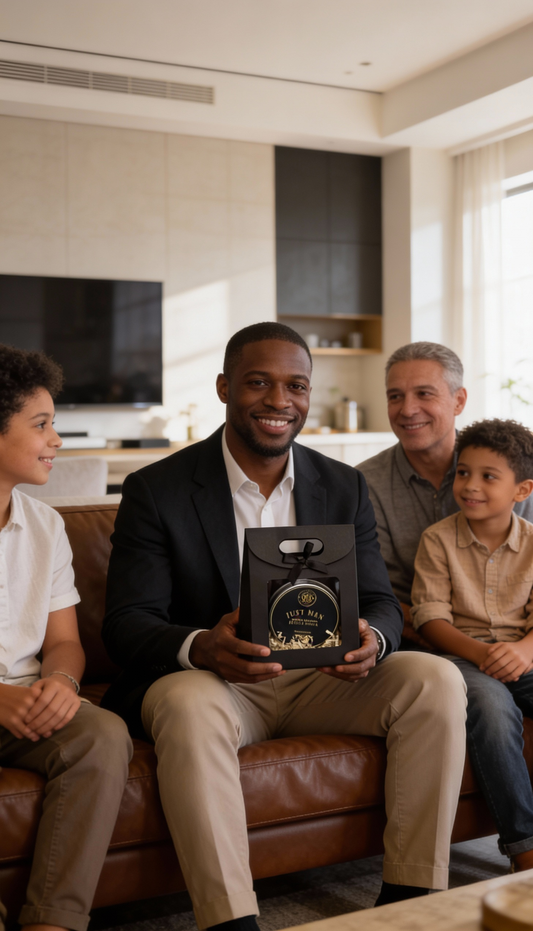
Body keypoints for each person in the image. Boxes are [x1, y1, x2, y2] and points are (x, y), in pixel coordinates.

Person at [102, 322, 467, 930]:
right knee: (187, 703)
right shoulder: (156, 490)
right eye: (258, 383)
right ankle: (231, 920)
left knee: (433, 680)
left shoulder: (342, 484)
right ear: (224, 388)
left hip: (323, 680)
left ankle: (412, 900)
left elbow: (378, 599)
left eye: (296, 385)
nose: (280, 400)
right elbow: (127, 624)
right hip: (218, 685)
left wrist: (373, 639)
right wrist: (203, 648)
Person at [0, 344, 133, 931]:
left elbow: (64, 641)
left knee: (101, 733)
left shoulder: (46, 524)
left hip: (29, 701)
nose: (58, 439)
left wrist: (61, 681)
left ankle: (53, 923)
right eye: (42, 424)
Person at [411, 419, 533, 872]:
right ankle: (525, 850)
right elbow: (429, 616)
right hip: (462, 660)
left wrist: (524, 651)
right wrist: (480, 653)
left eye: (488, 476)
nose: (471, 485)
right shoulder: (438, 539)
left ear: (522, 490)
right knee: (493, 710)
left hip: (523, 656)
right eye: (463, 472)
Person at [358, 343, 533, 608]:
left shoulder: (512, 472)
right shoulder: (364, 485)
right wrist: (456, 645)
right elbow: (376, 596)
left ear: (459, 401)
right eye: (395, 396)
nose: (407, 410)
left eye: (424, 394)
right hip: (414, 639)